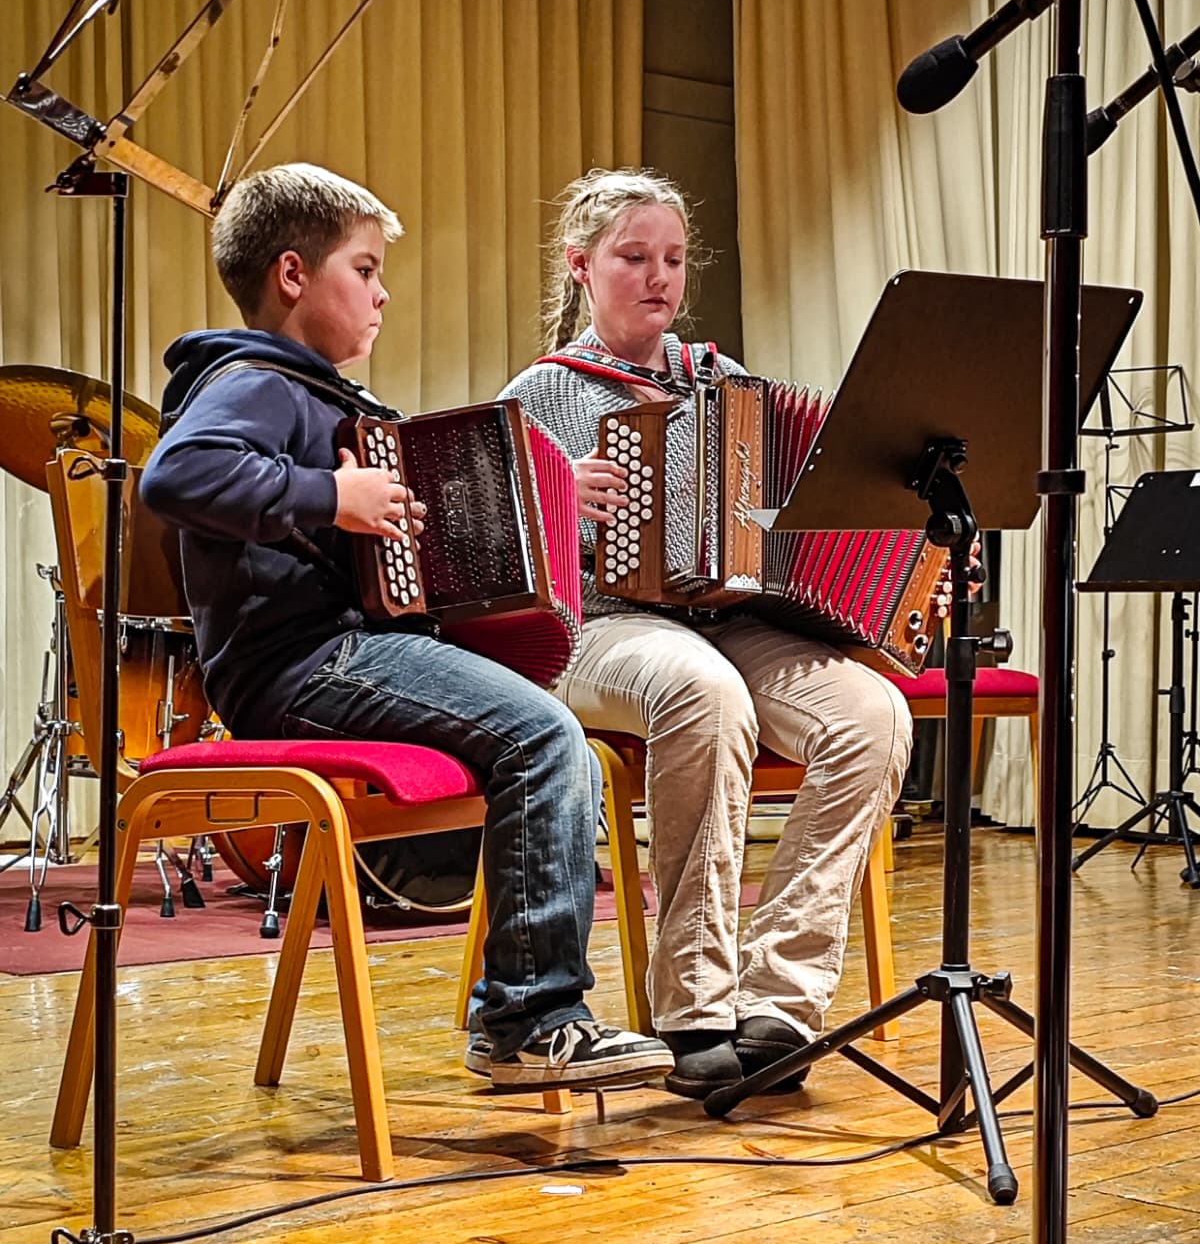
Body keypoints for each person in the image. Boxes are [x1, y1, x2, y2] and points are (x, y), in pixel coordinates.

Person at [140, 161, 672, 1093]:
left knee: (565, 745)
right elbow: (174, 478)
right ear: (294, 275)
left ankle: (532, 1012)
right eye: (365, 269)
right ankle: (528, 1020)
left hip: (349, 649)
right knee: (547, 738)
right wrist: (329, 495)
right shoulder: (252, 380)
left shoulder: (323, 396)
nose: (383, 293)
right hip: (301, 664)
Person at [500, 167, 913, 1099]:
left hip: (731, 619)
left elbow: (804, 510)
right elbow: (494, 543)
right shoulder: (542, 392)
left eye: (674, 259)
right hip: (600, 629)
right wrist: (559, 502)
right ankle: (693, 1001)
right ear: (580, 266)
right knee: (703, 692)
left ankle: (782, 1000)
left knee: (872, 714)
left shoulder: (723, 380)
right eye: (633, 257)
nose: (659, 277)